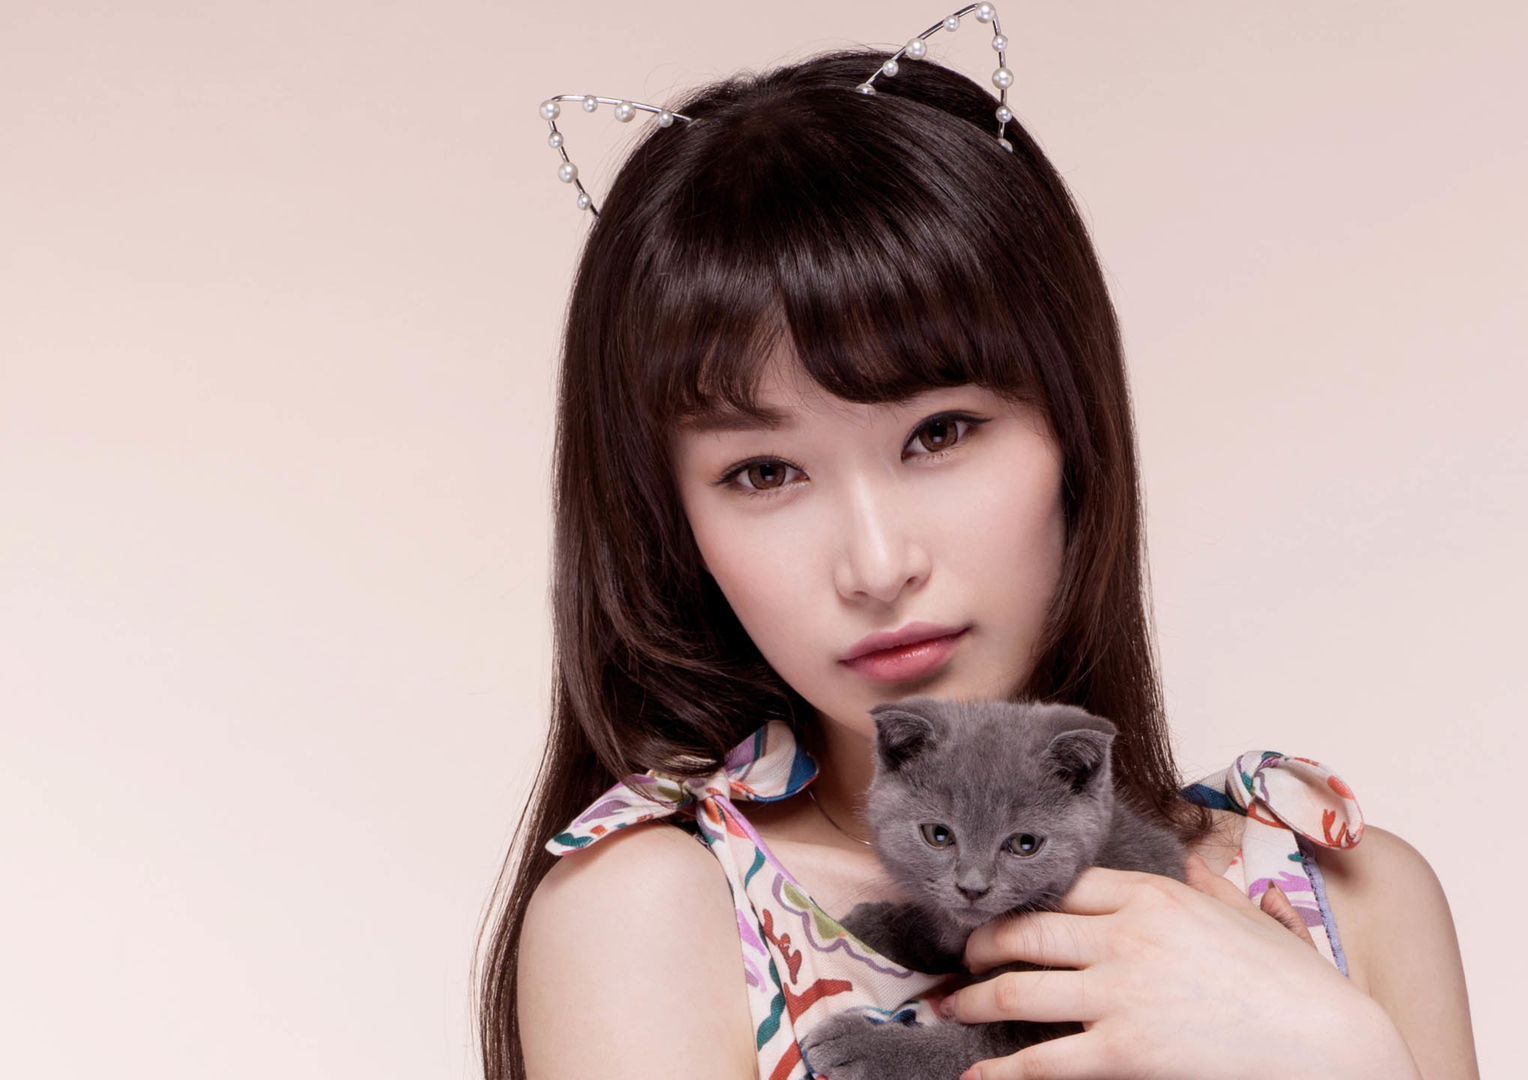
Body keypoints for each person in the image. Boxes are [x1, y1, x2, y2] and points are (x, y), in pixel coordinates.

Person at [476, 47, 1477, 1080]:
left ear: (1074, 430)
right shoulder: (653, 910)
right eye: (765, 472)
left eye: (940, 433)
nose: (877, 565)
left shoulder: (1354, 894)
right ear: (671, 520)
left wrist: (1340, 1053)